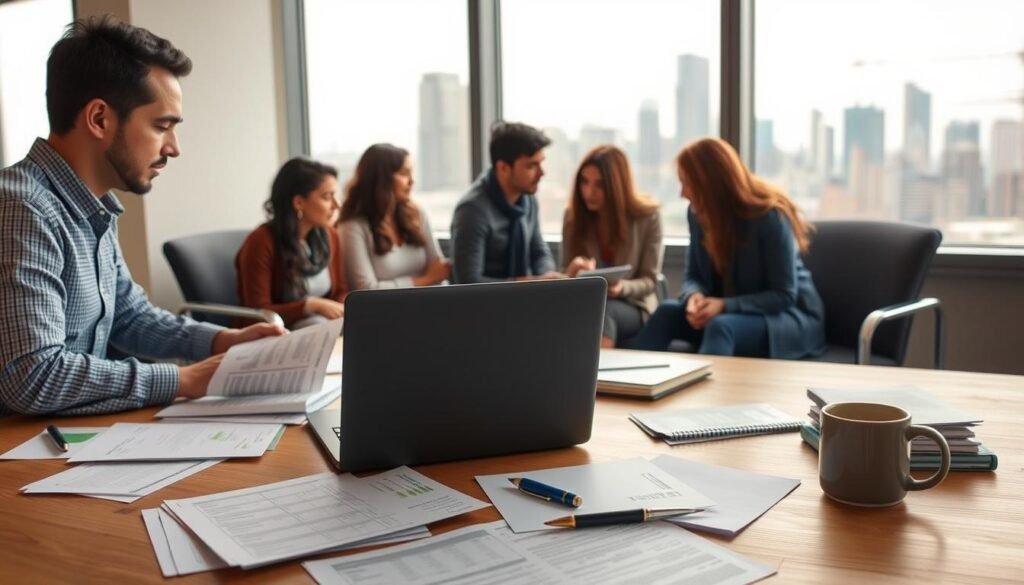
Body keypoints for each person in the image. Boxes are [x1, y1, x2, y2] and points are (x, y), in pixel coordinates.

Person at [0, 16, 284, 416]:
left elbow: (129, 318)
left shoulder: (90, 208)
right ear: (99, 119)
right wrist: (184, 380)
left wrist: (221, 342)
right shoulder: (22, 208)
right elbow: (33, 376)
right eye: (161, 126)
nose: (174, 148)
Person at [630, 137, 825, 358]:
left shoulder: (770, 217)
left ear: (712, 183)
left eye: (687, 183)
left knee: (722, 327)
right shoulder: (697, 215)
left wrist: (724, 306)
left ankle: (707, 394)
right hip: (727, 314)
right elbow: (693, 275)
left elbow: (783, 295)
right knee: (667, 312)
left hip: (785, 318)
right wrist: (695, 296)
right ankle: (620, 386)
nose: (682, 193)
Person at [562, 145, 663, 348]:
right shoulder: (573, 218)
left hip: (633, 305)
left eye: (600, 185)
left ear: (617, 186)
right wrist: (572, 272)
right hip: (587, 302)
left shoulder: (647, 217)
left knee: (603, 312)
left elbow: (650, 280)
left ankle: (595, 378)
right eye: (584, 182)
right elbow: (564, 282)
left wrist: (621, 288)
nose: (589, 192)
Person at [236, 157, 348, 329]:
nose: (337, 205)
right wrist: (309, 306)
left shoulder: (330, 236)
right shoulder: (261, 241)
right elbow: (258, 313)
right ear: (298, 202)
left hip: (322, 326)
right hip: (274, 333)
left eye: (336, 197)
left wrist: (339, 312)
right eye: (327, 197)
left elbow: (340, 290)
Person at [450, 121, 563, 283]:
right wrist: (523, 285)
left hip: (523, 299)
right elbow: (468, 281)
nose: (542, 173)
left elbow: (539, 251)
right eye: (531, 166)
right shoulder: (471, 211)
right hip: (485, 305)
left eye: (541, 163)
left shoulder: (527, 198)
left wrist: (547, 276)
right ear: (503, 168)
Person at [338, 144, 449, 290]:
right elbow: (365, 290)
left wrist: (428, 279)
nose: (412, 181)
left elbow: (439, 270)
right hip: (383, 311)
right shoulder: (353, 227)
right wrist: (423, 280)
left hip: (427, 304)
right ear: (381, 179)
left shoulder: (416, 213)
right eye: (404, 173)